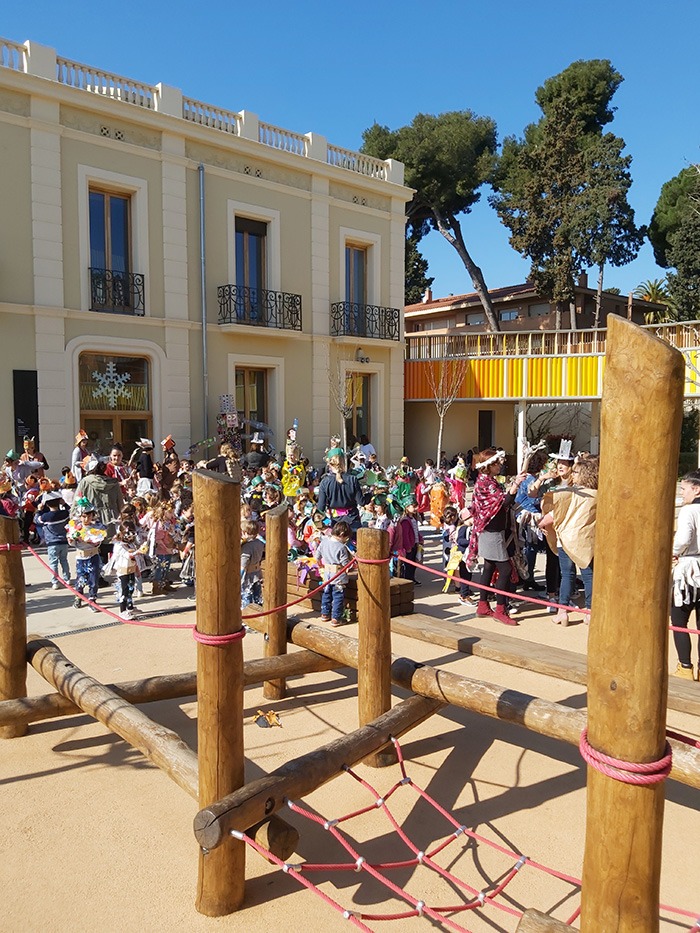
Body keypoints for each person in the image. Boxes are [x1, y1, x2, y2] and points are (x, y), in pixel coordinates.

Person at [467, 448, 528, 626]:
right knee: (506, 570)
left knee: (489, 567)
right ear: (489, 466)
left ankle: (483, 605)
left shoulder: (487, 481)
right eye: (496, 463)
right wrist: (515, 485)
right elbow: (503, 503)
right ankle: (500, 610)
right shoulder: (485, 483)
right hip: (491, 533)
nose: (500, 466)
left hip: (490, 531)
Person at [540, 455, 598, 626]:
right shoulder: (599, 494)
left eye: (576, 472)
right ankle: (589, 612)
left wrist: (541, 524)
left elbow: (551, 516)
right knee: (589, 576)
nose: (573, 474)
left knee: (567, 575)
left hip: (566, 539)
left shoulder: (570, 493)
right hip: (586, 540)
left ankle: (562, 612)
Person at [671, 470, 700, 680]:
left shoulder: (689, 511)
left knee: (679, 620)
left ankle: (685, 667)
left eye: (684, 489)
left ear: (696, 489)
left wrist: (673, 551)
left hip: (689, 569)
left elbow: (683, 538)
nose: (682, 493)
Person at [67, 498, 107, 611]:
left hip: (93, 555)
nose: (86, 519)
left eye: (89, 516)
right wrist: (72, 539)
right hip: (81, 557)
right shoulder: (76, 528)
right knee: (81, 578)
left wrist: (90, 541)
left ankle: (92, 600)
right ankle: (78, 597)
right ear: (80, 516)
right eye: (84, 516)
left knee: (94, 579)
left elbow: (98, 541)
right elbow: (71, 542)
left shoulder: (97, 528)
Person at [316, 450, 363, 534]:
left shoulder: (325, 482)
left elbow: (320, 509)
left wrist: (327, 523)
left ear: (329, 464)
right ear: (343, 462)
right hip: (353, 521)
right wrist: (369, 495)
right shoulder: (352, 479)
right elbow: (361, 502)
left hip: (335, 523)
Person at [316, 520, 352, 626]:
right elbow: (345, 563)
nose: (346, 540)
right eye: (346, 538)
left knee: (326, 594)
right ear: (342, 534)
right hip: (338, 575)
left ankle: (325, 613)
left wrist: (320, 563)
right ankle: (336, 618)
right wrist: (352, 565)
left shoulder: (324, 542)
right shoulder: (341, 547)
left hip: (327, 573)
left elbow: (317, 555)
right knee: (338, 597)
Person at [34, 490, 71, 589]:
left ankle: (55, 582)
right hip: (64, 541)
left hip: (52, 543)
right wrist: (65, 504)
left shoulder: (45, 517)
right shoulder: (64, 513)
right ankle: (67, 579)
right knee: (64, 560)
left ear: (46, 504)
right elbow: (71, 511)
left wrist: (39, 510)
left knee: (53, 562)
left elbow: (36, 520)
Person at [110, 520, 141, 620]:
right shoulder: (119, 545)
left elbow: (133, 558)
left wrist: (137, 568)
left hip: (131, 569)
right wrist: (137, 552)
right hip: (123, 571)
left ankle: (130, 607)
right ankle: (122, 610)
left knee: (131, 588)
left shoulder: (130, 544)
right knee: (124, 590)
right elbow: (127, 555)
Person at [240, 518, 265, 608]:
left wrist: (239, 577)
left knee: (246, 598)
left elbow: (243, 564)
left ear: (245, 532)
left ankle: (248, 614)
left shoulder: (246, 547)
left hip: (247, 576)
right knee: (257, 596)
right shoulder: (260, 543)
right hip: (257, 573)